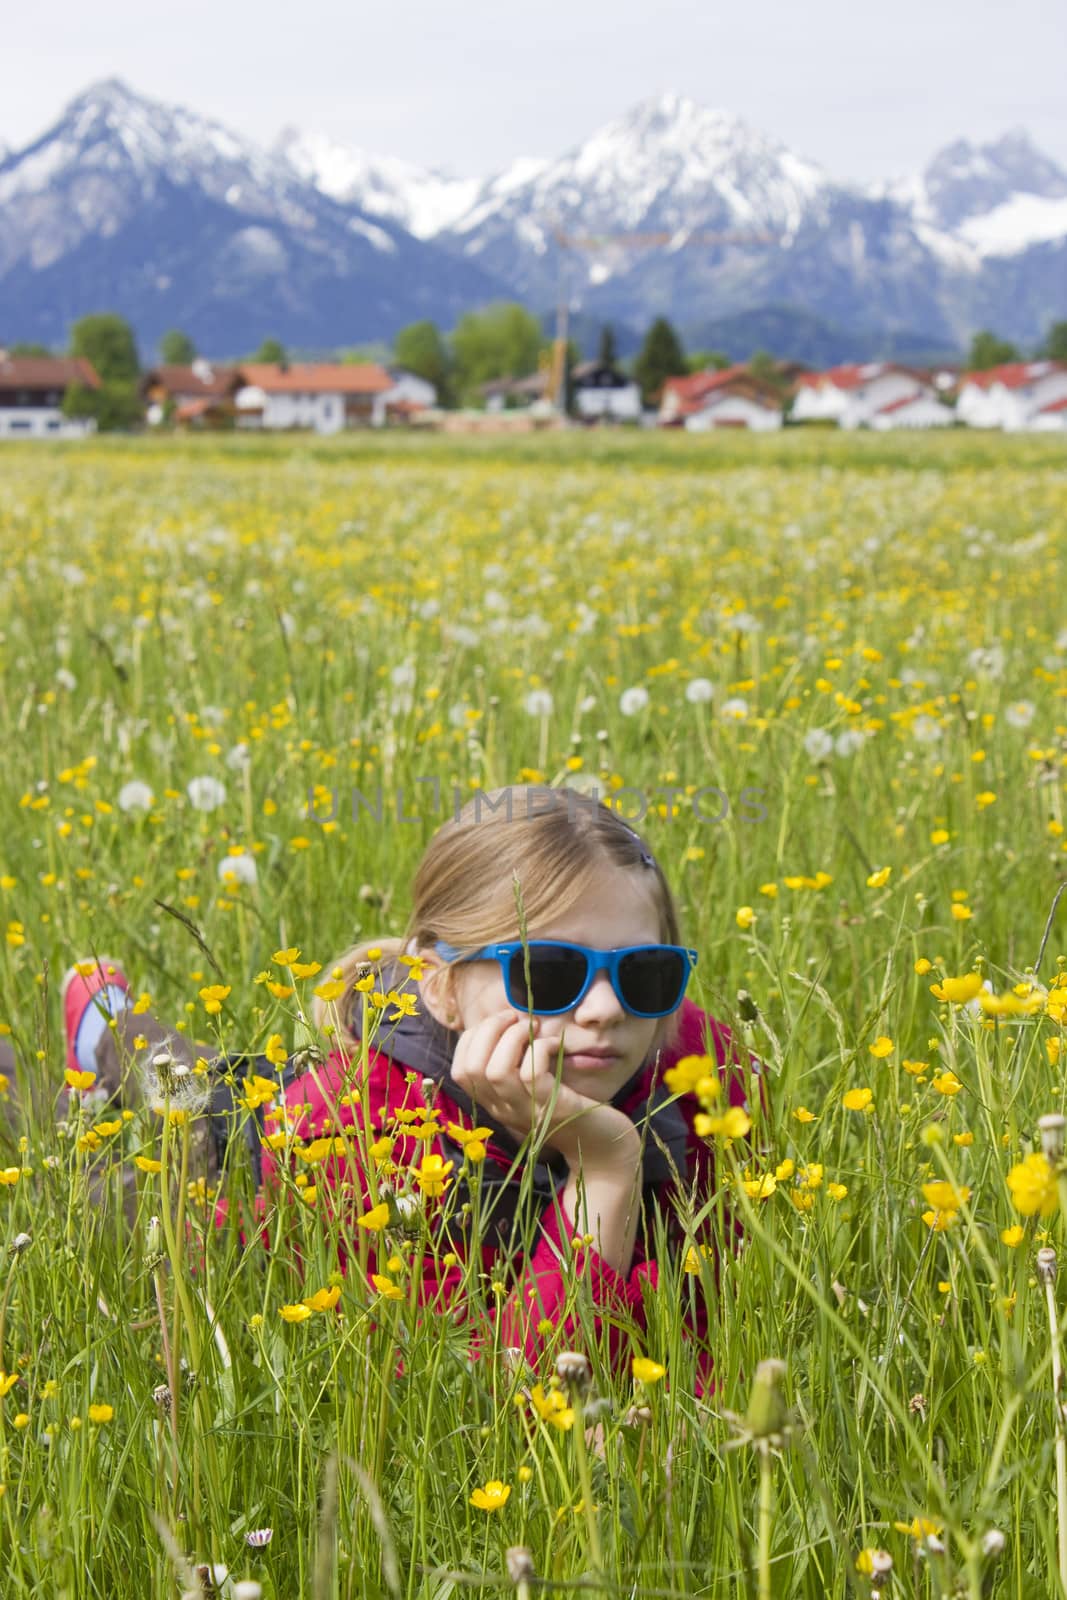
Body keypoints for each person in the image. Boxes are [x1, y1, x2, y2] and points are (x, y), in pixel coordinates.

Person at [7, 784, 763, 1391]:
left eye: (646, 971)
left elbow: (700, 1343)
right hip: (251, 1160)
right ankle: (101, 1018)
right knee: (91, 1144)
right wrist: (604, 1167)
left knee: (209, 1071)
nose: (606, 1008)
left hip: (349, 1087)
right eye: (549, 973)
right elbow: (506, 1393)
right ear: (439, 984)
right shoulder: (347, 1132)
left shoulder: (697, 1068)